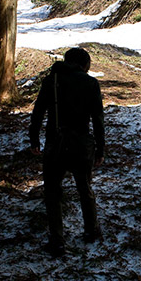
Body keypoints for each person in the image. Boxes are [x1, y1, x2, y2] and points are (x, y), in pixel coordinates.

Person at [29, 48, 105, 257]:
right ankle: (91, 231)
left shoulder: (51, 81)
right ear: (84, 64)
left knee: (53, 193)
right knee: (85, 188)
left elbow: (37, 113)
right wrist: (100, 149)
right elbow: (98, 119)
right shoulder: (91, 83)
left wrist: (34, 139)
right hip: (82, 144)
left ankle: (57, 241)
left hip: (56, 143)